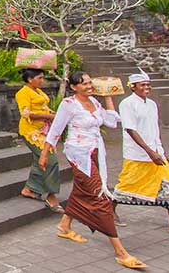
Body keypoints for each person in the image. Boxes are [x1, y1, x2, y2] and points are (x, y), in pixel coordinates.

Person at [39, 72, 146, 270]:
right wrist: (44, 154)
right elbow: (56, 129)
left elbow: (112, 122)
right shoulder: (69, 104)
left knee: (81, 191)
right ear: (73, 87)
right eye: (84, 84)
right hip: (78, 154)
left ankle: (64, 226)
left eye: (90, 83)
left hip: (95, 151)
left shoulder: (95, 103)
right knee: (101, 198)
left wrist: (107, 96)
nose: (89, 86)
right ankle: (120, 251)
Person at [112, 72, 169, 241]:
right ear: (133, 87)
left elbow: (154, 129)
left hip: (155, 152)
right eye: (142, 85)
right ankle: (110, 209)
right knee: (127, 184)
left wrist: (160, 149)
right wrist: (149, 151)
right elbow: (130, 129)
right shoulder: (127, 104)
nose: (147, 88)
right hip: (137, 154)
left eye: (148, 85)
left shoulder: (152, 104)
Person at [15, 68, 62, 212]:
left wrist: (52, 113)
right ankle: (51, 195)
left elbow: (43, 107)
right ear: (30, 79)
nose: (43, 81)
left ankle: (30, 189)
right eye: (40, 78)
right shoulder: (23, 93)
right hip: (31, 132)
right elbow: (25, 113)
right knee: (50, 159)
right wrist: (47, 116)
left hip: (42, 130)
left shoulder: (38, 91)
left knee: (39, 160)